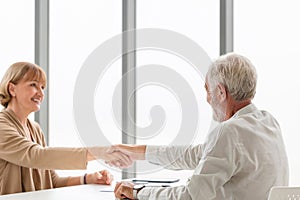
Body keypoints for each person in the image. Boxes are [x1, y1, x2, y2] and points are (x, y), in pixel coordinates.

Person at [112, 53, 289, 200]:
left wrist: (138, 192)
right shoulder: (268, 122)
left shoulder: (229, 131)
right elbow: (197, 155)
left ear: (221, 92)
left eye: (208, 90)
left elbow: (190, 196)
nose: (207, 98)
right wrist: (137, 152)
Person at [0, 62, 132, 195]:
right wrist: (98, 152)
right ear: (12, 89)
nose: (40, 93)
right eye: (33, 85)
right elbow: (36, 155)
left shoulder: (34, 128)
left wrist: (87, 178)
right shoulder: (2, 125)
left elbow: (52, 181)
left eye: (42, 87)